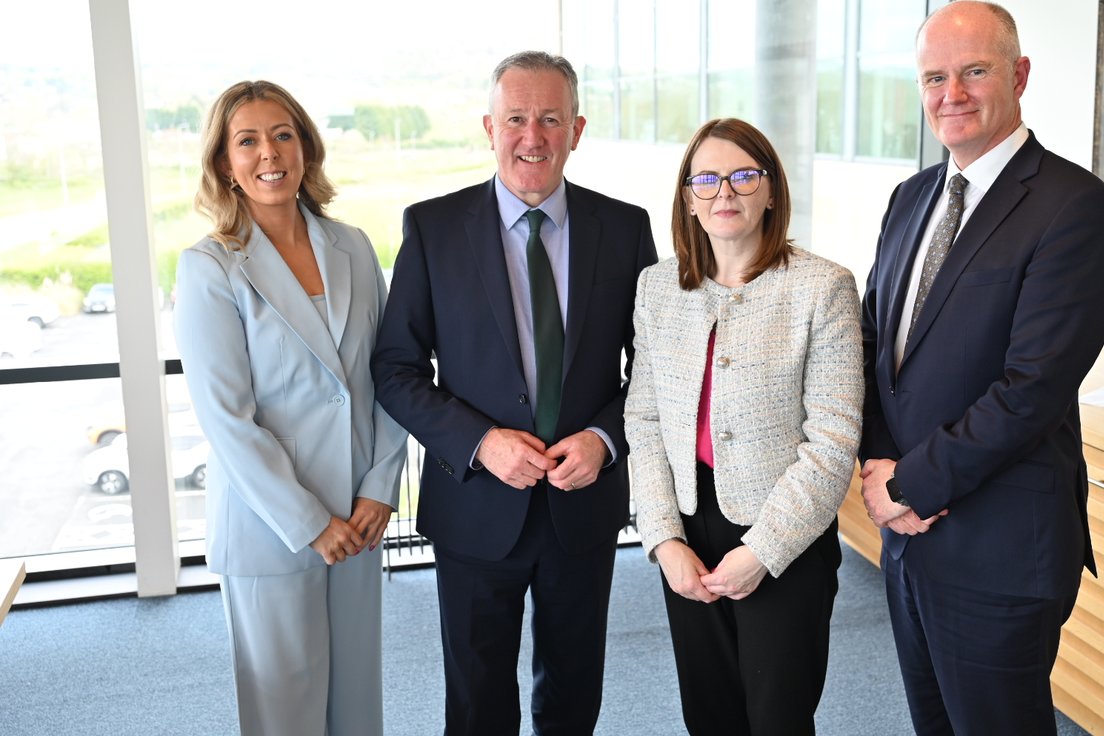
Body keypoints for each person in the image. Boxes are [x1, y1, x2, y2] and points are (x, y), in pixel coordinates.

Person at [858, 0, 1104, 735]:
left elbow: (1031, 388)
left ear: (1020, 74)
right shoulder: (911, 198)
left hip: (1000, 548)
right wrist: (880, 460)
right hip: (908, 539)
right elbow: (876, 343)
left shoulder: (1077, 208)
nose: (953, 94)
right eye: (934, 77)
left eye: (974, 71)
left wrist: (911, 483)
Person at [371, 51, 657, 736]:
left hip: (581, 506)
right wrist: (480, 443)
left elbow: (654, 365)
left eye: (550, 119)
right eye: (517, 119)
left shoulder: (625, 228)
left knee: (573, 688)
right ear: (489, 127)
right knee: (475, 699)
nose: (533, 137)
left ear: (577, 129)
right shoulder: (433, 229)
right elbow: (395, 368)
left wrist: (604, 438)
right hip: (473, 506)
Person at [175, 80, 408, 736]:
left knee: (358, 707)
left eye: (283, 134)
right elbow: (226, 418)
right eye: (246, 140)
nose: (268, 152)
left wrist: (380, 491)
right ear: (224, 162)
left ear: (306, 147)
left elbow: (388, 377)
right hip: (271, 527)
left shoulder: (354, 247)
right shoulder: (210, 267)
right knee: (286, 714)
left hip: (359, 521)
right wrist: (310, 522)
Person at [625, 118, 864, 736]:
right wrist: (661, 539)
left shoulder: (823, 288)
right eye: (706, 179)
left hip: (785, 534)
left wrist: (762, 551)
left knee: (778, 720)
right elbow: (644, 419)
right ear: (688, 198)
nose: (724, 191)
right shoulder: (657, 287)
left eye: (743, 176)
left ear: (772, 191)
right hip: (688, 526)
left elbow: (833, 442)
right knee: (709, 717)